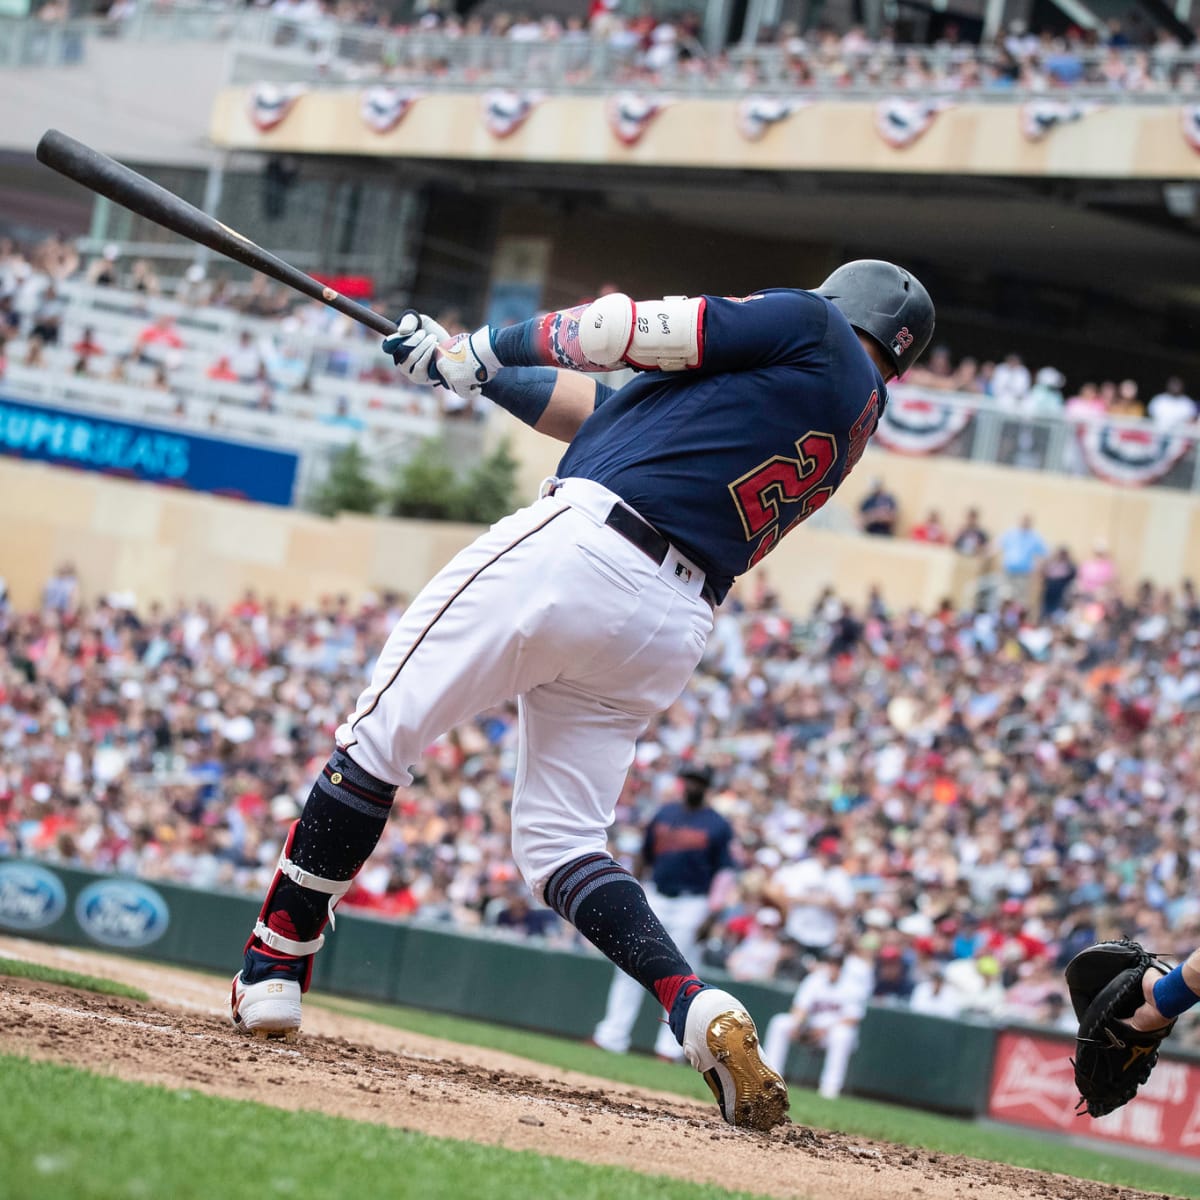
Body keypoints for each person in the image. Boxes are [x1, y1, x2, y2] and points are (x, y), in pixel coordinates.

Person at [228, 260, 935, 1132]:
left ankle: (275, 965)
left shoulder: (808, 326)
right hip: (670, 618)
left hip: (584, 548)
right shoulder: (847, 409)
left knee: (380, 737)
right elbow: (606, 417)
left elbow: (621, 330)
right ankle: (691, 1002)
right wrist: (472, 368)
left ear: (839, 302)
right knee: (562, 841)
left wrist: (488, 340)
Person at [592, 762, 735, 1061]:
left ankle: (669, 1049)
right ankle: (611, 1036)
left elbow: (724, 872)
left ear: (707, 788)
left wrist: (713, 913)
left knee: (679, 974)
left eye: (699, 780)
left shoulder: (717, 824)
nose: (693, 785)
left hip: (692, 903)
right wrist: (636, 889)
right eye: (690, 779)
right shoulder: (665, 813)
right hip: (656, 894)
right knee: (629, 964)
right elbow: (644, 855)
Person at [761, 946, 873, 1099]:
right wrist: (797, 1024)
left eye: (837, 963)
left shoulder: (852, 985)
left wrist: (824, 1030)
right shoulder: (815, 979)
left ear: (842, 966)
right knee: (780, 1022)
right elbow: (799, 1007)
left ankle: (829, 1090)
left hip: (832, 1033)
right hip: (811, 1029)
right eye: (830, 962)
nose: (833, 966)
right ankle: (770, 1079)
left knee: (842, 1035)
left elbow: (852, 1018)